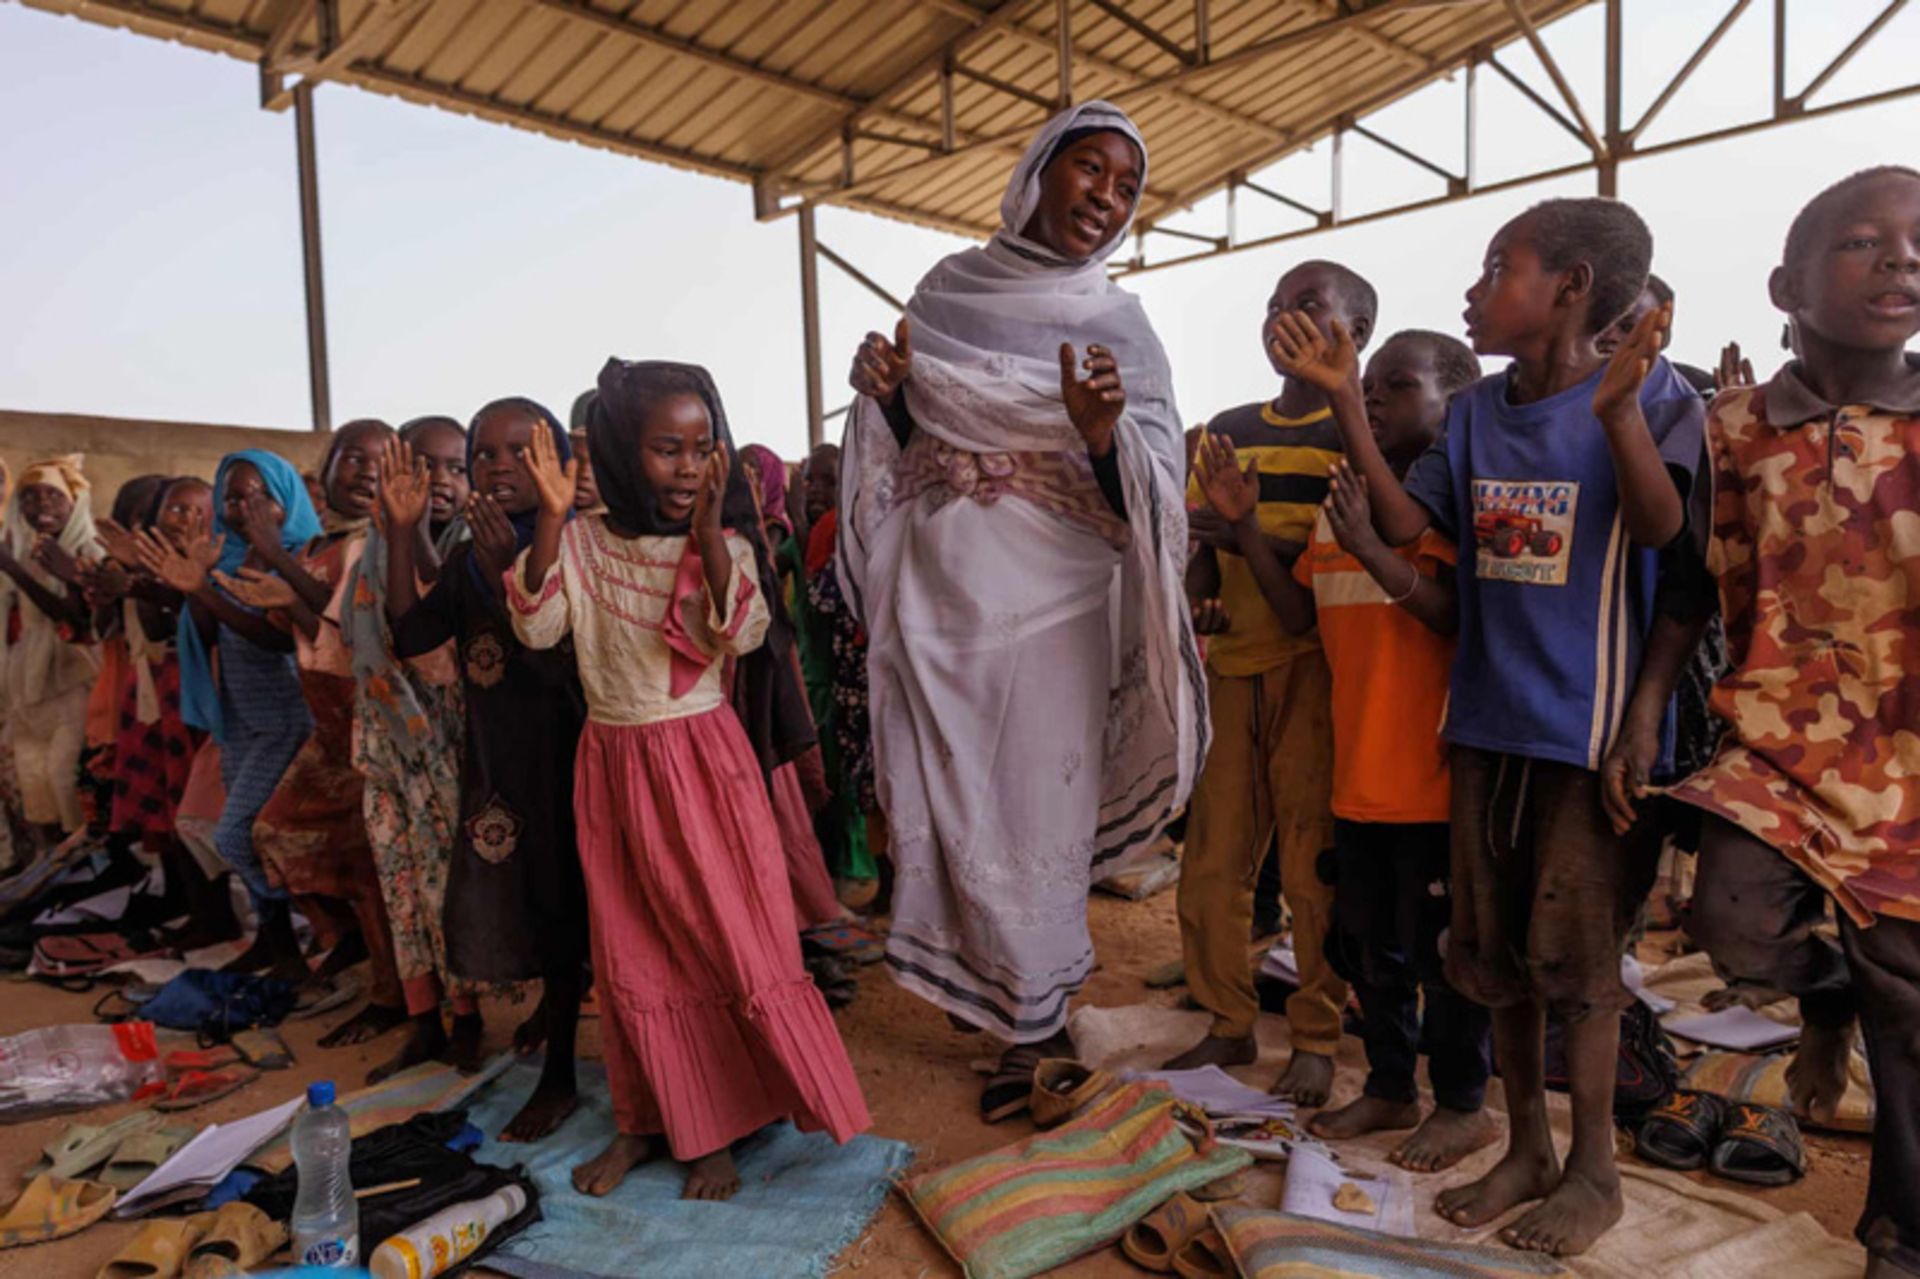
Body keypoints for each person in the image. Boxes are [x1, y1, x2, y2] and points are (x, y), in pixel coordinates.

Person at [1298, 196, 1704, 1256]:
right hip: (1485, 722)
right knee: (1493, 957)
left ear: (1568, 286)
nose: (1476, 291)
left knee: (1579, 966)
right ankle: (1523, 1142)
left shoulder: (1654, 393)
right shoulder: (1477, 411)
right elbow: (1409, 524)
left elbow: (1669, 539)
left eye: (1498, 269)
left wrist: (1617, 413)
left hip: (1587, 731)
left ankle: (1595, 1171)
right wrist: (1348, 404)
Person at [836, 100, 1205, 1119]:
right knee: (952, 797)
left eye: (1127, 188)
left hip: (1056, 610)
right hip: (939, 600)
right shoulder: (945, 291)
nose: (1108, 198)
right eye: (1092, 170)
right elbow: (910, 441)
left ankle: (1033, 1024)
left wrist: (1101, 435)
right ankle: (992, 980)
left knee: (1033, 807)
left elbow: (1158, 480)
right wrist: (890, 396)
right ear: (1038, 169)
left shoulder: (1119, 324)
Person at [1604, 166, 1920, 1279]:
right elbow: (1689, 590)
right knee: (1731, 924)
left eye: (1916, 245)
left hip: (1910, 757)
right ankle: (1823, 999)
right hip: (1779, 743)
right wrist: (1646, 711)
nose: (1900, 260)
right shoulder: (1731, 427)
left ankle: (1899, 1236)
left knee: (1910, 1001)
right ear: (1786, 281)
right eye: (1865, 242)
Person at [508, 358, 870, 1201]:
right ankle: (647, 1121)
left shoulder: (733, 545)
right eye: (666, 449)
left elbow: (739, 635)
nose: (687, 466)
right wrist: (554, 522)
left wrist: (709, 537)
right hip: (615, 767)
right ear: (623, 455)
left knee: (724, 942)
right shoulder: (586, 546)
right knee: (632, 950)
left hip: (703, 769)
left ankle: (718, 1130)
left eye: (702, 447)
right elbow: (539, 626)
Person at [1208, 328, 1494, 1171]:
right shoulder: (1344, 510)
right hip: (1356, 782)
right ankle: (1392, 1085)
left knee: (1446, 960)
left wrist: (1373, 541)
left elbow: (1447, 613)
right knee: (1367, 946)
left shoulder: (1443, 511)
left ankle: (1465, 1103)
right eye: (1366, 389)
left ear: (1452, 406)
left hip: (1435, 788)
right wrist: (1247, 526)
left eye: (1394, 386)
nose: (1371, 399)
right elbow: (1299, 617)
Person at [1165, 260, 1378, 1107]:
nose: (1285, 316)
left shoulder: (1354, 436)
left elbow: (1335, 564)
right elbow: (1198, 546)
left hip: (1316, 672)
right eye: (1276, 305)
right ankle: (1227, 1015)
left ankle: (1318, 1035)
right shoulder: (1229, 427)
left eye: (1309, 305)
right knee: (1213, 860)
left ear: (1353, 334)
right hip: (1233, 671)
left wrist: (1247, 531)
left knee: (1311, 863)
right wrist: (1204, 598)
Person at [387, 397, 589, 1143]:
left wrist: (514, 567)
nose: (499, 467)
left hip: (568, 753)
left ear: (558, 465)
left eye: (518, 452)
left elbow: (551, 664)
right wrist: (403, 532)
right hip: (497, 757)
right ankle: (549, 1010)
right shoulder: (474, 551)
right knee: (516, 898)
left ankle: (563, 1073)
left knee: (564, 908)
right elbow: (412, 630)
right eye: (484, 455)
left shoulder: (577, 542)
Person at [230, 420, 409, 1050]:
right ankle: (359, 948)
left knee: (372, 866)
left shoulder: (389, 542)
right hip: (332, 727)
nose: (364, 470)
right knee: (273, 832)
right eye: (351, 458)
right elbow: (302, 634)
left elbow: (357, 628)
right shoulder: (320, 548)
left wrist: (277, 560)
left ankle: (395, 994)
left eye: (379, 459)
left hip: (381, 728)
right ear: (326, 469)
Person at [137, 450, 320, 980]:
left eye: (261, 495)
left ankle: (322, 938)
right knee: (242, 834)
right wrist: (198, 585)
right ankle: (275, 939)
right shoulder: (224, 554)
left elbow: (272, 637)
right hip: (241, 718)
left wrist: (205, 591)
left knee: (238, 834)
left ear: (287, 498)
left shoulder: (303, 555)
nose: (246, 507)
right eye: (234, 497)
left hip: (290, 718)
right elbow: (209, 633)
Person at [346, 417, 481, 1083]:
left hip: (444, 749)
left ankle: (469, 1018)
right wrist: (394, 531)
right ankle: (423, 1018)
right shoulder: (370, 548)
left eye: (458, 468)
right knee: (399, 883)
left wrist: (409, 532)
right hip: (385, 747)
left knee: (440, 887)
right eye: (425, 468)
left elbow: (431, 640)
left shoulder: (470, 549)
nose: (443, 483)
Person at [90, 476, 238, 946]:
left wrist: (140, 583)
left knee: (197, 813)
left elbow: (186, 613)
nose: (186, 521)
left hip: (195, 693)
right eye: (175, 511)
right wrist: (136, 581)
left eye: (198, 511)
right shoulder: (153, 567)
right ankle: (196, 908)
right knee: (170, 811)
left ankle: (216, 915)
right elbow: (151, 628)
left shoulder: (222, 561)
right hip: (159, 691)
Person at [0, 455, 101, 846]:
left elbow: (76, 622)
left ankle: (90, 866)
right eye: (29, 496)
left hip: (76, 680)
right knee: (33, 783)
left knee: (65, 779)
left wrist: (16, 571)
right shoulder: (25, 552)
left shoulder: (90, 551)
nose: (41, 505)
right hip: (30, 687)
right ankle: (50, 873)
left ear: (74, 503)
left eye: (53, 495)